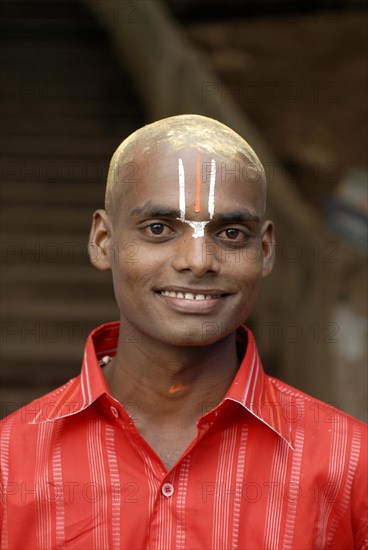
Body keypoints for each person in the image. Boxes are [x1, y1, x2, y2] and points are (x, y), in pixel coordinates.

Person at [0, 114, 366, 549]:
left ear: (265, 252)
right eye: (158, 229)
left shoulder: (350, 463)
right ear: (103, 240)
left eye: (231, 233)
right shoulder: (10, 464)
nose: (197, 260)